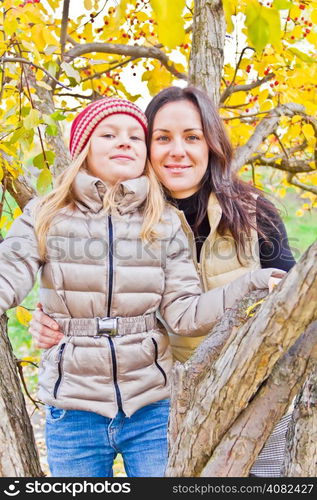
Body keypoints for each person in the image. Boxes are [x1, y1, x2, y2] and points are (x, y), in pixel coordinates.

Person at [0, 96, 281, 478]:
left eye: (135, 136)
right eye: (109, 134)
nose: (124, 142)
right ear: (82, 149)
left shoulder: (162, 221)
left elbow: (183, 312)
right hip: (73, 406)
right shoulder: (46, 214)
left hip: (151, 404)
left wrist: (253, 281)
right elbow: (11, 270)